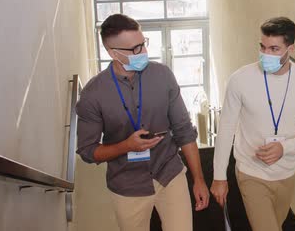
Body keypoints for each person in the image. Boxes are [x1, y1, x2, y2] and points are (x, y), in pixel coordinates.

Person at [76, 14, 209, 231]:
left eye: (143, 44)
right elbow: (87, 151)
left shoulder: (163, 75)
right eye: (135, 49)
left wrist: (199, 180)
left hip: (169, 174)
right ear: (113, 53)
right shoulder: (93, 94)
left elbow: (184, 130)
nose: (143, 52)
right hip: (127, 185)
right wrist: (126, 146)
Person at [210, 17, 295, 231]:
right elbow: (226, 129)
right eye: (262, 47)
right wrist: (219, 176)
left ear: (291, 48)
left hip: (286, 173)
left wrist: (285, 148)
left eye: (274, 49)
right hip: (250, 172)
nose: (266, 54)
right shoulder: (239, 80)